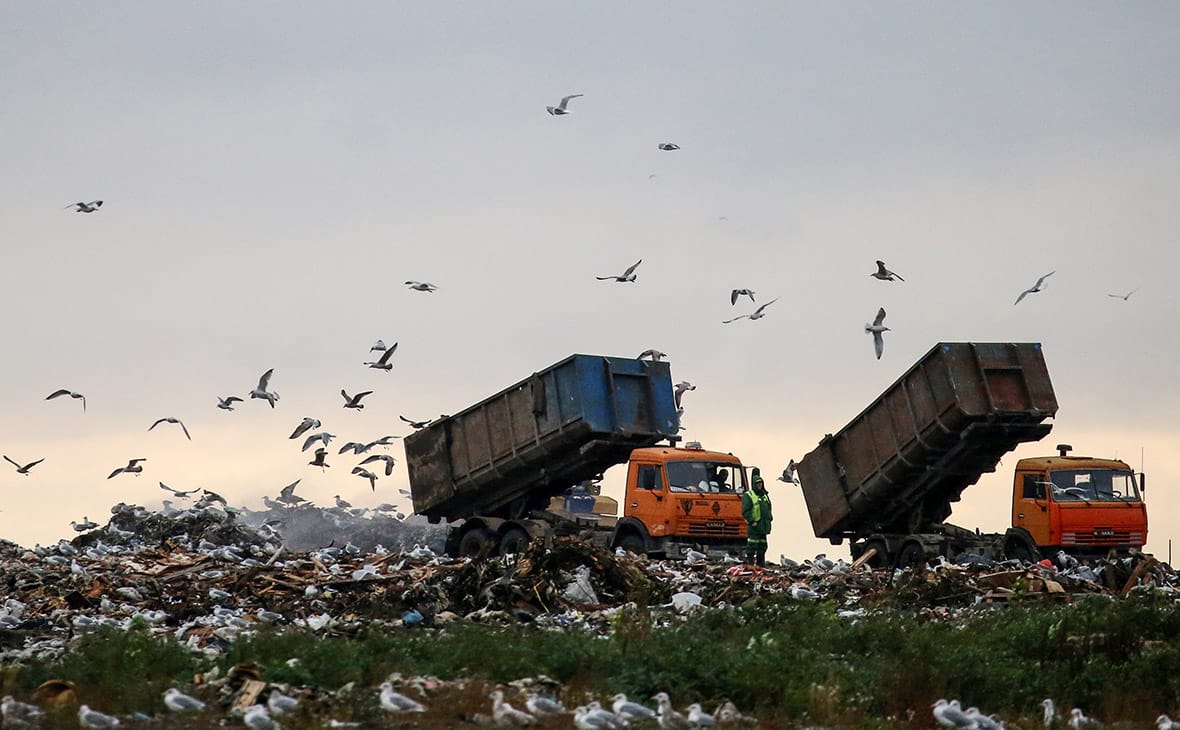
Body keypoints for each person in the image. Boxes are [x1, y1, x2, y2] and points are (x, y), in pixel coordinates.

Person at [741, 468, 772, 566]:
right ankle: (750, 564)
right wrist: (752, 521)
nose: (759, 485)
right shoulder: (749, 495)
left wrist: (770, 518)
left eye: (760, 483)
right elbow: (745, 511)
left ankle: (760, 564)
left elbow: (768, 507)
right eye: (757, 483)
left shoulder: (764, 495)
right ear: (754, 484)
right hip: (755, 525)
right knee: (752, 545)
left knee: (762, 545)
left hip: (763, 525)